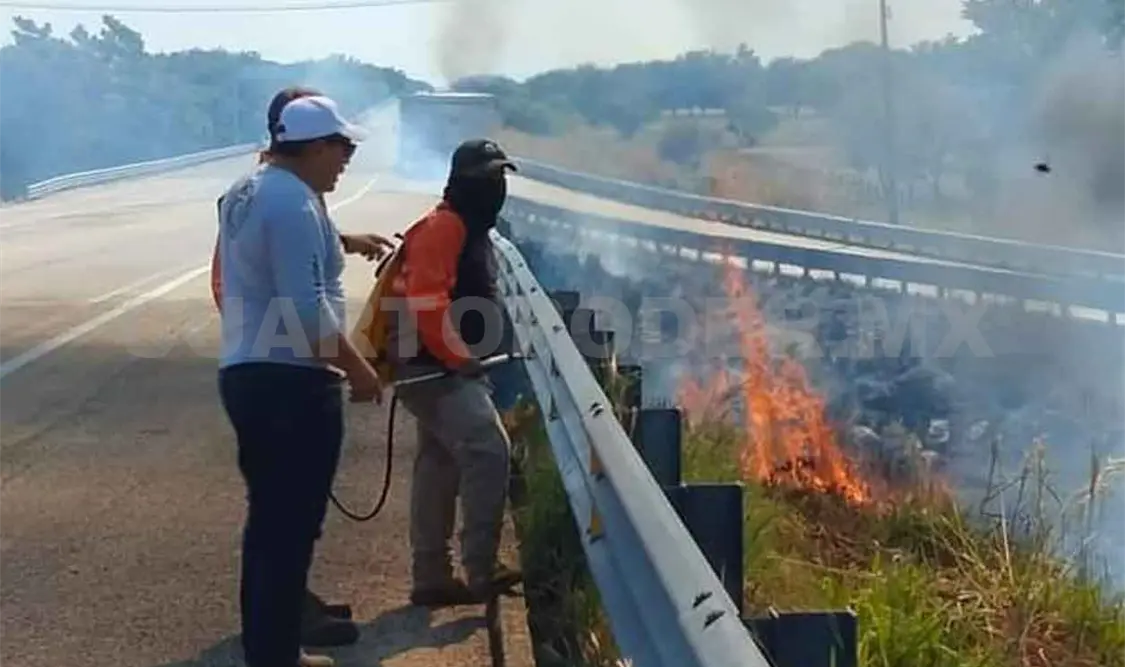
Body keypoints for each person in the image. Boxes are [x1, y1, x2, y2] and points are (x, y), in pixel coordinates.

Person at [211, 86, 393, 649]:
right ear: (315, 147)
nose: (346, 162)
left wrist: (344, 240)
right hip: (289, 381)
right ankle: (276, 650)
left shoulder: (250, 190)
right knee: (289, 525)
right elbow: (305, 312)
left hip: (248, 372)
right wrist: (359, 370)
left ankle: (270, 641)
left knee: (270, 522)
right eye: (343, 149)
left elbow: (280, 249)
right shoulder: (293, 204)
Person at [383, 138, 523, 607]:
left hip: (437, 364)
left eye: (500, 176)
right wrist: (458, 355)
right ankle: (481, 567)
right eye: (487, 178)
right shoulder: (445, 227)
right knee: (488, 450)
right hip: (434, 367)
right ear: (461, 182)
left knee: (439, 464)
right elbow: (427, 301)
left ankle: (432, 576)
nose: (496, 187)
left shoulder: (469, 228)